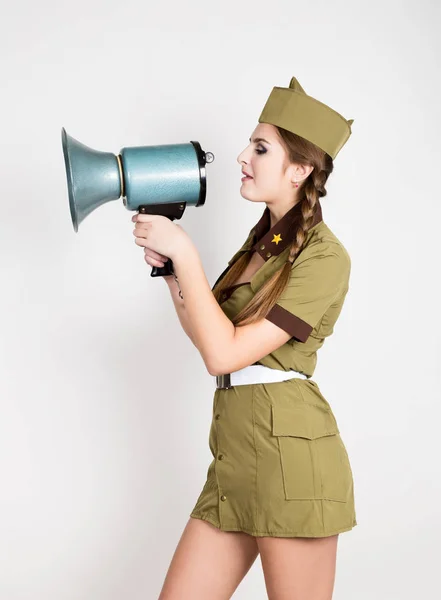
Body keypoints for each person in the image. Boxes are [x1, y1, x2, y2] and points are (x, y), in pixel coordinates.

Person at [132, 76, 357, 600]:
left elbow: (223, 353)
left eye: (260, 148)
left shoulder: (325, 257)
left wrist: (187, 254)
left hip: (292, 466)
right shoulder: (262, 242)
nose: (241, 157)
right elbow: (211, 336)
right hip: (235, 459)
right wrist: (172, 274)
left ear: (300, 170)